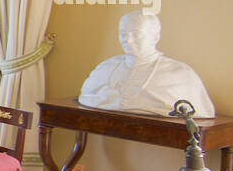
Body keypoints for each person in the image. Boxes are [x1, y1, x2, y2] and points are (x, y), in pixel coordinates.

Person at [78, 10, 216, 117]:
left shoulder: (180, 74)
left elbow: (198, 113)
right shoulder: (105, 68)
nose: (128, 40)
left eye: (136, 34)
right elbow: (88, 96)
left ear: (155, 37)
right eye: (123, 34)